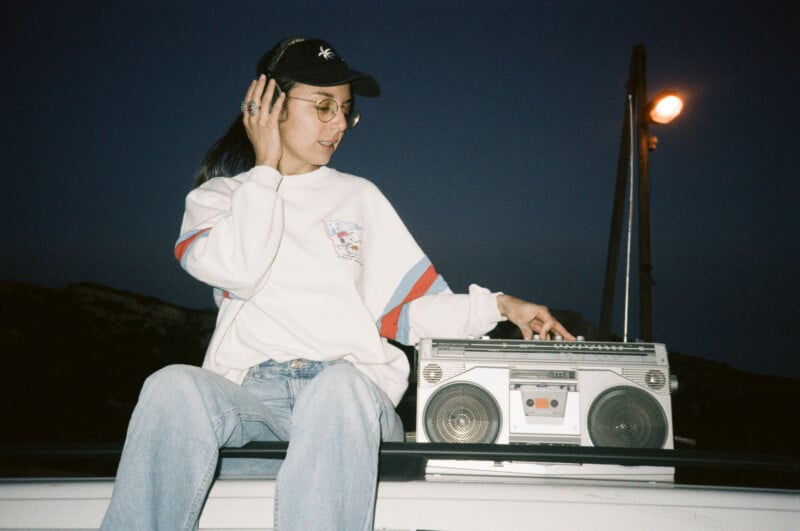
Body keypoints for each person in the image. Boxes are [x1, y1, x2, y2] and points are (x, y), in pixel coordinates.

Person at [101, 36, 575, 530]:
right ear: (267, 105)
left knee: (338, 387)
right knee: (171, 385)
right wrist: (264, 171)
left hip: (352, 403)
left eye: (346, 111)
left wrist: (501, 306)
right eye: (323, 106)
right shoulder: (219, 199)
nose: (338, 125)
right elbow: (239, 269)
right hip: (252, 405)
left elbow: (411, 308)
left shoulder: (359, 198)